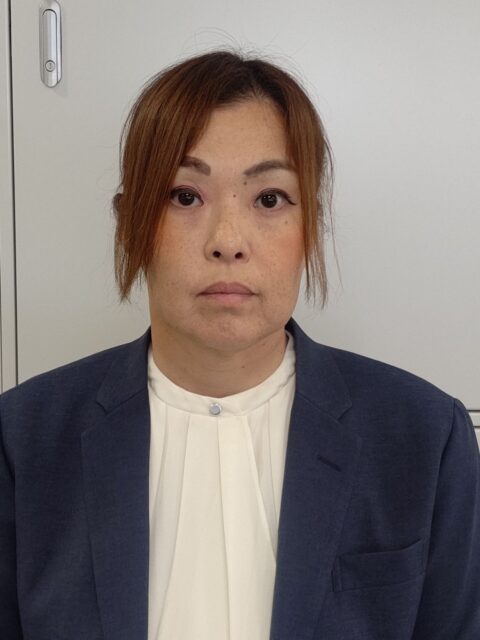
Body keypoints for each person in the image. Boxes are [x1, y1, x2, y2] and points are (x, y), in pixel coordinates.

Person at [0, 48, 479, 640]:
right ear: (130, 224)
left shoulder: (423, 437)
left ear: (310, 225)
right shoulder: (23, 441)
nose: (227, 241)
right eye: (185, 196)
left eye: (269, 199)